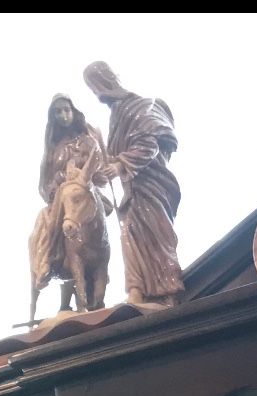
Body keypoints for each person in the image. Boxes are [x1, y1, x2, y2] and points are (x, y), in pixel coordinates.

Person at [83, 60, 184, 308]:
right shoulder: (117, 114)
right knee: (129, 235)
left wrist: (119, 165)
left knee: (156, 236)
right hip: (132, 189)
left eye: (95, 87)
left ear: (105, 82)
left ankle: (167, 291)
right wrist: (103, 158)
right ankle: (136, 292)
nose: (96, 94)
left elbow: (149, 146)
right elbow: (117, 158)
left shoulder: (141, 106)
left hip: (152, 184)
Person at [29, 95, 106, 313]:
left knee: (94, 222)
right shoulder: (54, 150)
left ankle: (100, 269)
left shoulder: (89, 141)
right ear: (52, 118)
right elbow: (44, 184)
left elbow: (100, 173)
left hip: (86, 195)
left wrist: (86, 177)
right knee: (50, 221)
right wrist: (56, 185)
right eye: (58, 112)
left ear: (74, 111)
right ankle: (48, 258)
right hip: (62, 199)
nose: (63, 115)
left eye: (67, 110)